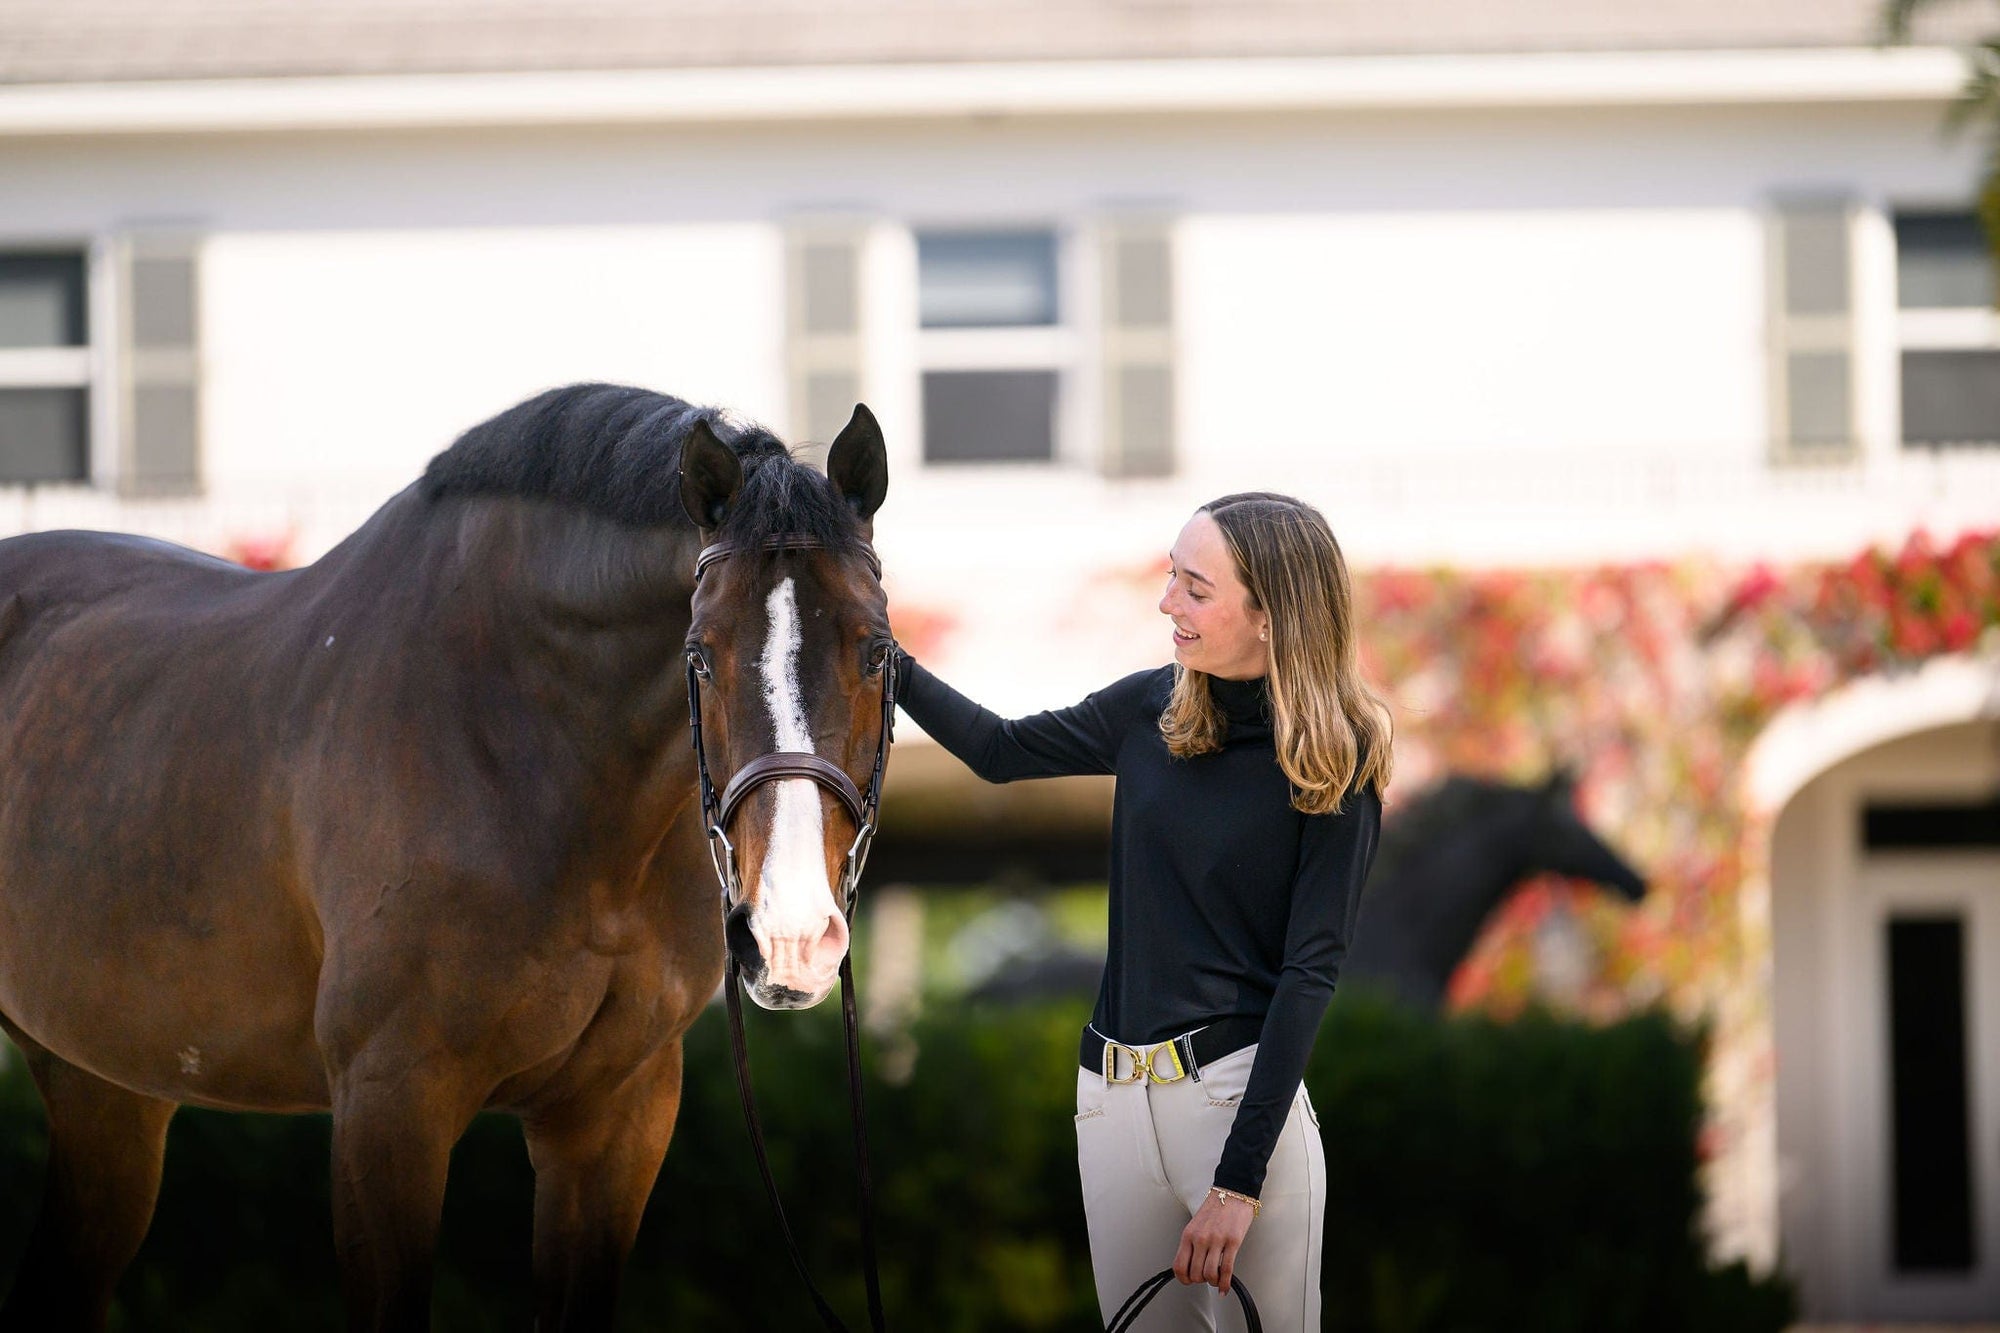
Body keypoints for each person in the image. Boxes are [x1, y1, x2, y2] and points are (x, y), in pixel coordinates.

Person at [890, 492, 1393, 1331]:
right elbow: (1000, 750)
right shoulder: (1150, 709)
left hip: (1237, 1107)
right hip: (1109, 1101)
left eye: (1196, 588)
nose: (1169, 603)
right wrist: (883, 661)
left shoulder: (1336, 760)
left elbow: (1310, 976)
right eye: (1171, 576)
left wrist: (1239, 1182)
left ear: (1272, 614)